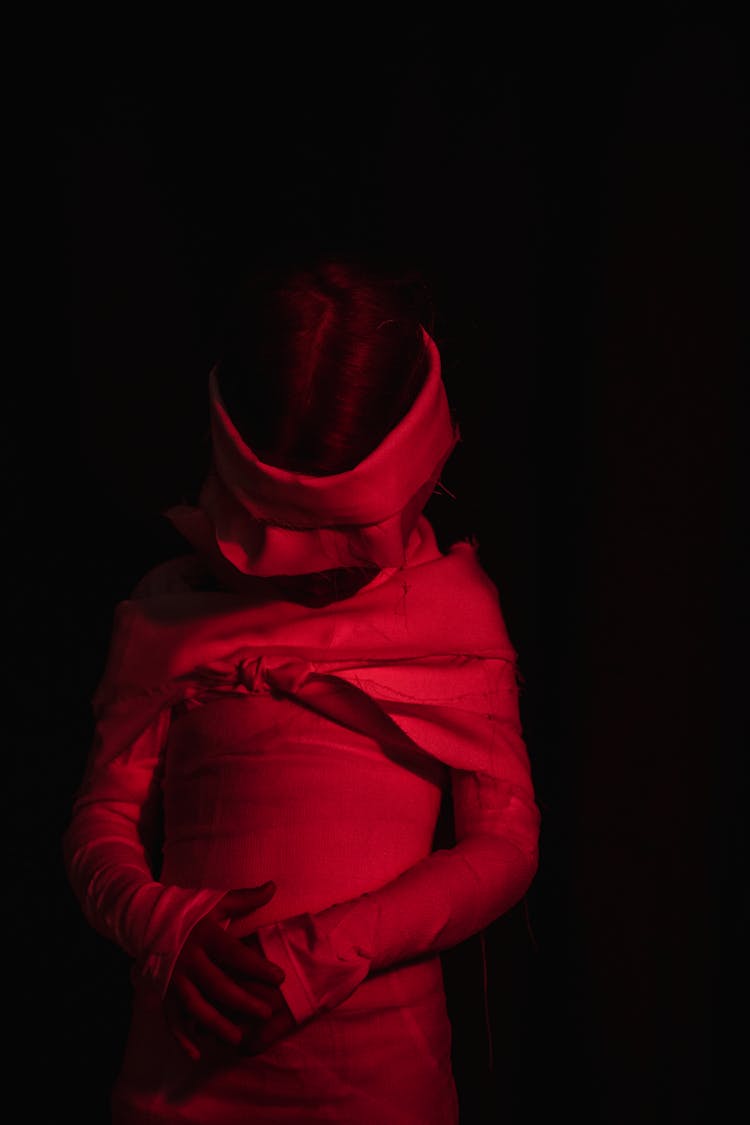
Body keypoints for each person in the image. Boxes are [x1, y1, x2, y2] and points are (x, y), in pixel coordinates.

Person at [63, 256, 541, 1123]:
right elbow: (101, 819)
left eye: (348, 540)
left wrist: (328, 950)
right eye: (281, 539)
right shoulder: (173, 611)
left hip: (377, 1087)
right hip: (178, 1076)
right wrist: (161, 921)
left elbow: (504, 845)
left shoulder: (451, 612)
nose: (316, 577)